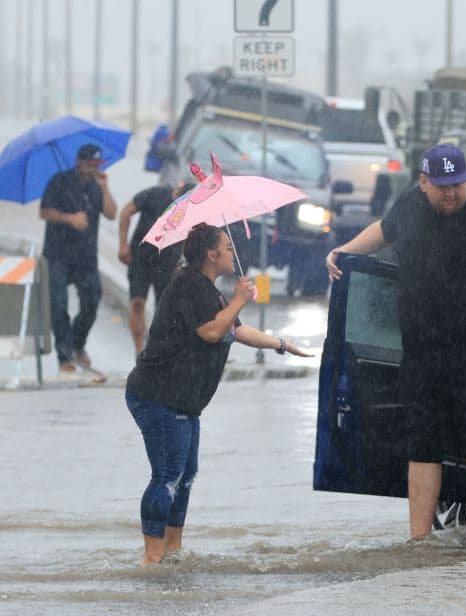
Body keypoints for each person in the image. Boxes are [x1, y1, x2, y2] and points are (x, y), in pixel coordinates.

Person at [325, 143, 466, 539]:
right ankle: (419, 541)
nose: (451, 193)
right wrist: (344, 251)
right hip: (421, 356)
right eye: (443, 185)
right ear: (424, 182)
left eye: (458, 184)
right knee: (423, 447)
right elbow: (382, 232)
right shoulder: (409, 207)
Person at [125, 224, 312, 565]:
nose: (232, 252)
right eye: (227, 247)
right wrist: (240, 299)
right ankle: (152, 556)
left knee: (186, 476)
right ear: (211, 255)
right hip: (158, 395)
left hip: (183, 400)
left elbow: (236, 330)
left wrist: (282, 344)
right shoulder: (187, 284)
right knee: (167, 475)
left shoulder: (210, 291)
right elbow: (212, 331)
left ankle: (173, 549)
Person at [39, 143, 117, 373]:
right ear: (79, 163)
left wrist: (105, 189)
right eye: (90, 164)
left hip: (86, 256)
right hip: (58, 254)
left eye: (97, 165)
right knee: (58, 304)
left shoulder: (97, 186)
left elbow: (111, 213)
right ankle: (64, 356)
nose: (93, 169)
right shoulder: (59, 181)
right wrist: (69, 218)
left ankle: (77, 343)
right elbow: (44, 212)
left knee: (91, 301)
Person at [118, 181, 196, 355]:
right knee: (137, 303)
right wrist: (123, 244)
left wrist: (184, 262)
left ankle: (156, 350)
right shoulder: (154, 195)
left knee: (163, 309)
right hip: (140, 257)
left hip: (168, 263)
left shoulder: (192, 211)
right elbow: (126, 211)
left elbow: (193, 237)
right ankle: (139, 351)